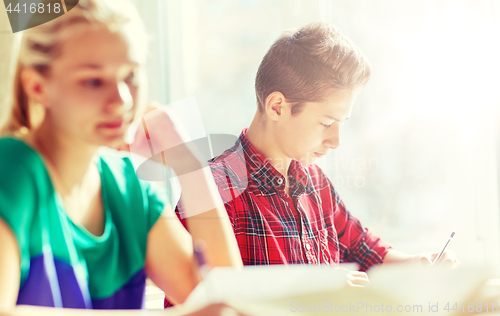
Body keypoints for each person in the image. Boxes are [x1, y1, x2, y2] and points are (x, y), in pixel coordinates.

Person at [0, 0, 245, 314]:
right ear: (37, 87)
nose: (122, 100)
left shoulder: (129, 187)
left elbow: (222, 299)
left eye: (131, 76)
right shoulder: (12, 168)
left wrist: (189, 160)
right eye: (93, 81)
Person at [174, 22, 459, 274]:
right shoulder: (211, 190)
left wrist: (419, 264)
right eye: (326, 123)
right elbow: (198, 302)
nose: (336, 141)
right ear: (277, 107)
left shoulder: (315, 183)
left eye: (341, 123)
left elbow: (366, 250)